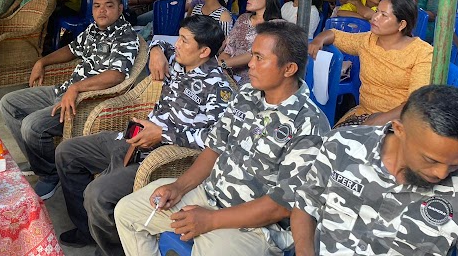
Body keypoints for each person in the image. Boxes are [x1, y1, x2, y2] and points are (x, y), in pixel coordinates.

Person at [115, 21, 331, 256]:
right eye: (252, 56)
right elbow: (214, 149)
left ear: (288, 69)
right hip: (208, 195)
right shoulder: (247, 94)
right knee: (127, 211)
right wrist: (179, 186)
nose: (250, 64)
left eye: (259, 58)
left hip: (256, 226)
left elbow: (280, 205)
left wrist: (211, 220)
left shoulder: (309, 124)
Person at [55, 15, 234, 253]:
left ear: (204, 52)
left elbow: (215, 139)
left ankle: (114, 248)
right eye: (179, 38)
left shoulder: (218, 87)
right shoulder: (177, 58)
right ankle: (87, 230)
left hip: (159, 157)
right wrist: (158, 51)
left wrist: (164, 134)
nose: (177, 44)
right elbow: (159, 43)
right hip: (131, 139)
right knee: (67, 152)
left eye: (184, 41)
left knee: (97, 195)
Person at [291, 84, 458, 256]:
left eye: (456, 164)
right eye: (431, 160)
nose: (442, 173)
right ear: (399, 130)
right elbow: (307, 203)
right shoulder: (342, 145)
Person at [0, 0, 140, 198]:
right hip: (65, 90)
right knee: (8, 103)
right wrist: (42, 62)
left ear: (120, 9)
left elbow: (116, 75)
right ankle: (39, 160)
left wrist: (76, 89)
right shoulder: (93, 29)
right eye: (96, 6)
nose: (102, 11)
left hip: (85, 101)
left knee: (32, 126)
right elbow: (70, 49)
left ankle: (50, 174)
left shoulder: (125, 36)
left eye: (109, 5)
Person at [310, 0, 433, 127]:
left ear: (402, 24)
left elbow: (415, 103)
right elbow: (334, 34)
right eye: (376, 11)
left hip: (399, 121)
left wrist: (376, 121)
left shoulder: (422, 53)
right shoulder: (367, 40)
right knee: (330, 143)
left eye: (383, 15)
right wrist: (318, 40)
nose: (375, 17)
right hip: (364, 113)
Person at [218, 0, 282, 85]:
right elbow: (228, 49)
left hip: (253, 78)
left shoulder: (275, 25)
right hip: (228, 73)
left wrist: (223, 64)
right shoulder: (243, 18)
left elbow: (254, 54)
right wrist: (220, 68)